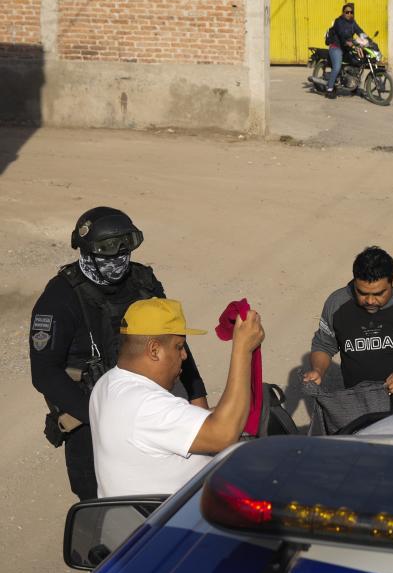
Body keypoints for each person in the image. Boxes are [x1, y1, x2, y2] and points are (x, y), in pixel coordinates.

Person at [29, 207, 208, 501]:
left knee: (171, 496)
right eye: (108, 250)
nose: (120, 258)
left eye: (127, 246)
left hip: (153, 406)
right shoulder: (60, 297)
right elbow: (45, 372)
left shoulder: (142, 281)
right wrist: (99, 414)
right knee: (104, 508)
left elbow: (174, 340)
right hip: (91, 420)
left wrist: (197, 397)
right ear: (86, 251)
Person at [89, 298, 264, 497]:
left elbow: (174, 424)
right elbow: (223, 435)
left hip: (143, 518)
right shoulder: (145, 404)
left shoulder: (107, 383)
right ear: (154, 350)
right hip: (172, 521)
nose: (184, 356)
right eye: (179, 346)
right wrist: (243, 350)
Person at [304, 246, 393, 410]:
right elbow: (324, 345)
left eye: (379, 293)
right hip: (358, 410)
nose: (370, 301)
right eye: (362, 293)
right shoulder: (337, 303)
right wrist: (318, 370)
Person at [324, 2, 366, 99]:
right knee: (337, 67)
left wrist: (368, 40)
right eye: (347, 12)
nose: (349, 14)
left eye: (351, 12)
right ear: (343, 12)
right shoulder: (339, 21)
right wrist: (347, 42)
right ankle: (329, 89)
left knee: (358, 63)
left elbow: (360, 31)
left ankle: (354, 86)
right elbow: (341, 33)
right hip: (336, 47)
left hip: (347, 48)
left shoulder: (352, 23)